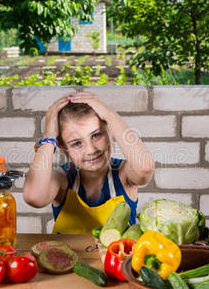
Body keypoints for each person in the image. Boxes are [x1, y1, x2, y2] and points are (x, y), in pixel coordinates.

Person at [23, 92, 154, 234]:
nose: (91, 150)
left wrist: (110, 115)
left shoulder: (123, 174)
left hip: (117, 256)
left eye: (96, 135)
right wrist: (49, 136)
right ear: (62, 146)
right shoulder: (62, 178)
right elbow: (34, 197)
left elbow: (145, 167)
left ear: (109, 130)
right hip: (70, 256)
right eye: (77, 143)